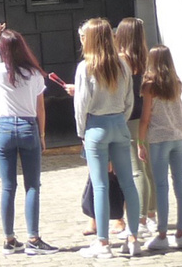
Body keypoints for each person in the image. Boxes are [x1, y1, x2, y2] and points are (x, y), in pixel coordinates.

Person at [0, 22, 57, 255]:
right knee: (32, 185)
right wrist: (43, 134)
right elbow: (41, 109)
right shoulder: (34, 73)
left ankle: (9, 239)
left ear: (3, 51)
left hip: (4, 128)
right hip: (28, 126)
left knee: (8, 186)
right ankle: (34, 239)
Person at [66, 17, 140, 258]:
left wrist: (82, 133)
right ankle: (134, 237)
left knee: (100, 185)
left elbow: (81, 106)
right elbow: (130, 100)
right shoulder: (123, 65)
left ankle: (103, 243)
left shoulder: (85, 67)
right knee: (128, 182)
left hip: (96, 126)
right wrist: (120, 118)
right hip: (119, 123)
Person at [138, 45, 182, 251]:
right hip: (178, 138)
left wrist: (141, 142)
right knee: (180, 185)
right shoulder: (176, 83)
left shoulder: (150, 85)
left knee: (161, 186)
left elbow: (145, 118)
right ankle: (181, 233)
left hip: (159, 140)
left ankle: (162, 234)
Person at [116, 17, 155, 238]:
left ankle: (139, 219)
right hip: (145, 116)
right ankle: (151, 215)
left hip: (129, 117)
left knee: (136, 170)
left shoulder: (123, 60)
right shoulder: (145, 58)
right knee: (147, 169)